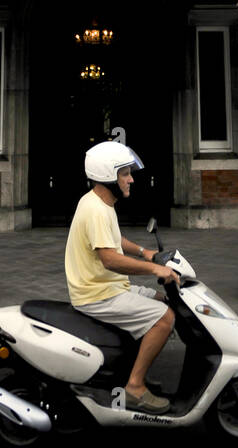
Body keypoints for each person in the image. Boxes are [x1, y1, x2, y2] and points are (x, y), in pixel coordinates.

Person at [64, 140, 180, 414]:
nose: (131, 180)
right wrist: (155, 269)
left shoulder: (100, 203)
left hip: (110, 287)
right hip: (97, 295)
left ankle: (133, 369)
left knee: (166, 301)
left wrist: (144, 252)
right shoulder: (95, 209)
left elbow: (114, 241)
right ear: (108, 176)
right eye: (125, 174)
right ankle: (135, 387)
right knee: (165, 319)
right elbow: (110, 259)